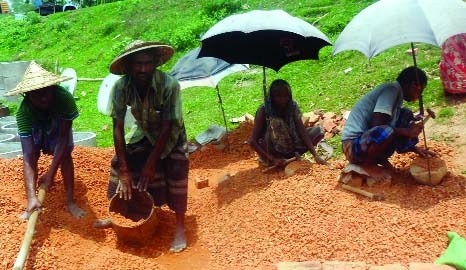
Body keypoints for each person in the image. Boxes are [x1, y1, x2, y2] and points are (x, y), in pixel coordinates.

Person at [93, 40, 189, 253]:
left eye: (148, 63)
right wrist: (126, 171)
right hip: (144, 131)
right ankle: (116, 211)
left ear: (155, 63)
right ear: (128, 66)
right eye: (138, 64)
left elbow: (167, 126)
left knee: (177, 165)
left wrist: (151, 164)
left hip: (171, 135)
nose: (143, 69)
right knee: (119, 162)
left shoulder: (170, 85)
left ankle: (180, 225)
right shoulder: (121, 87)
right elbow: (117, 127)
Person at [4, 60, 86, 220]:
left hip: (58, 122)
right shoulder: (23, 113)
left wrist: (51, 173)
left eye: (46, 92)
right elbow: (27, 155)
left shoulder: (64, 99)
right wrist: (31, 197)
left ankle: (70, 202)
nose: (43, 99)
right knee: (33, 155)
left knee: (65, 156)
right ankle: (32, 202)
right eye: (36, 94)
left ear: (52, 88)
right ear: (27, 95)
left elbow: (63, 139)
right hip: (37, 125)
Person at [341, 66, 435, 180]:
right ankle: (367, 165)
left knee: (405, 114)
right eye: (420, 91)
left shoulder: (397, 94)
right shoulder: (391, 90)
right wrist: (406, 131)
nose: (418, 96)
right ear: (413, 85)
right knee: (386, 131)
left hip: (363, 143)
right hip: (352, 147)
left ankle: (379, 159)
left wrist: (414, 148)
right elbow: (377, 126)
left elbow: (390, 126)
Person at [249, 79, 330, 168]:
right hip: (272, 149)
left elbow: (302, 130)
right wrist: (272, 158)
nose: (283, 100)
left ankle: (290, 157)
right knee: (277, 123)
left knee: (319, 131)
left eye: (285, 96)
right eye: (278, 97)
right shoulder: (264, 110)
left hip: (292, 145)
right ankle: (276, 160)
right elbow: (253, 141)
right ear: (272, 97)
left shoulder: (292, 106)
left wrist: (315, 155)